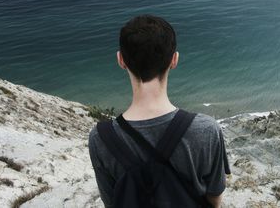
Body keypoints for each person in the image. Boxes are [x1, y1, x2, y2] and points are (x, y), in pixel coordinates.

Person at [88, 15, 231, 207]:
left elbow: (112, 202)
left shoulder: (100, 138)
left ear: (121, 60)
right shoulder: (207, 129)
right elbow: (214, 199)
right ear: (174, 59)